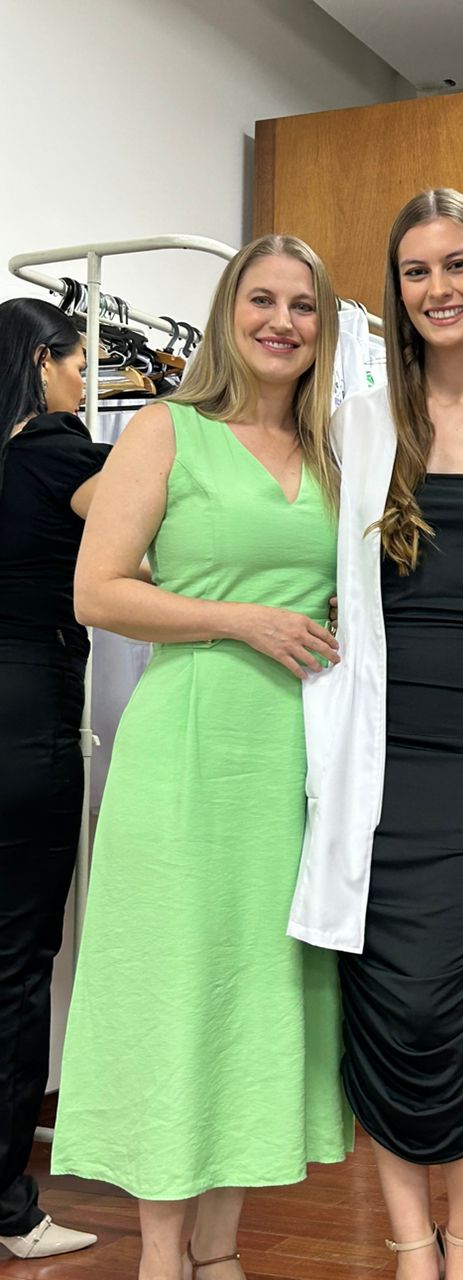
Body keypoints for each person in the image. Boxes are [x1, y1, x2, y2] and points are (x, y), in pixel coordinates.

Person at [51, 235, 353, 1280]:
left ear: (323, 328)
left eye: (302, 306)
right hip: (185, 751)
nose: (281, 322)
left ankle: (219, 1253)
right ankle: (161, 1254)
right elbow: (97, 591)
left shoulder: (334, 453)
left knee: (253, 990)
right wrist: (239, 619)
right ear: (229, 314)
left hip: (293, 760)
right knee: (178, 988)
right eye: (261, 300)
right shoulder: (165, 429)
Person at [288, 189, 463, 1280]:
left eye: (458, 263)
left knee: (447, 1007)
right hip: (378, 761)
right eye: (416, 270)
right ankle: (414, 1241)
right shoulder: (356, 426)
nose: (438, 288)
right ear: (397, 290)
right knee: (381, 1003)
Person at [0, 299, 105, 1261]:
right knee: (18, 965)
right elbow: (139, 536)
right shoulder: (58, 452)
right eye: (78, 365)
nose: (86, 380)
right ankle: (9, 1208)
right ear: (42, 362)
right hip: (26, 721)